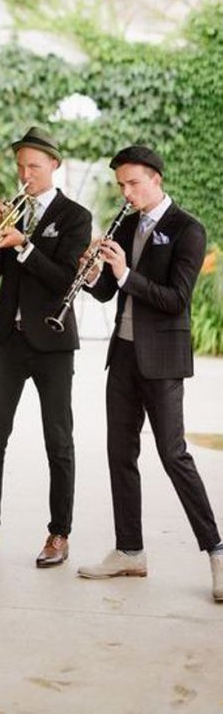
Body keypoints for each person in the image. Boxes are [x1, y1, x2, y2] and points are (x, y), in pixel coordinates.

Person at [77, 144, 223, 600]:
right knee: (119, 454)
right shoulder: (125, 221)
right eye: (121, 184)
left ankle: (216, 551)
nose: (127, 192)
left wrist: (122, 274)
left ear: (156, 179)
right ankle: (130, 551)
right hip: (122, 357)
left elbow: (175, 299)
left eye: (134, 183)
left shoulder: (188, 229)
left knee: (173, 455)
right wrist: (92, 274)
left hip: (161, 362)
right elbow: (109, 293)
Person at [0, 127, 91, 568]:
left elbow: (64, 279)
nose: (25, 174)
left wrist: (24, 244)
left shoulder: (76, 216)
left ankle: (59, 534)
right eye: (20, 165)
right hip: (8, 340)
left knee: (58, 441)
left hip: (53, 342)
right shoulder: (13, 211)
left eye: (33, 166)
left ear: (54, 166)